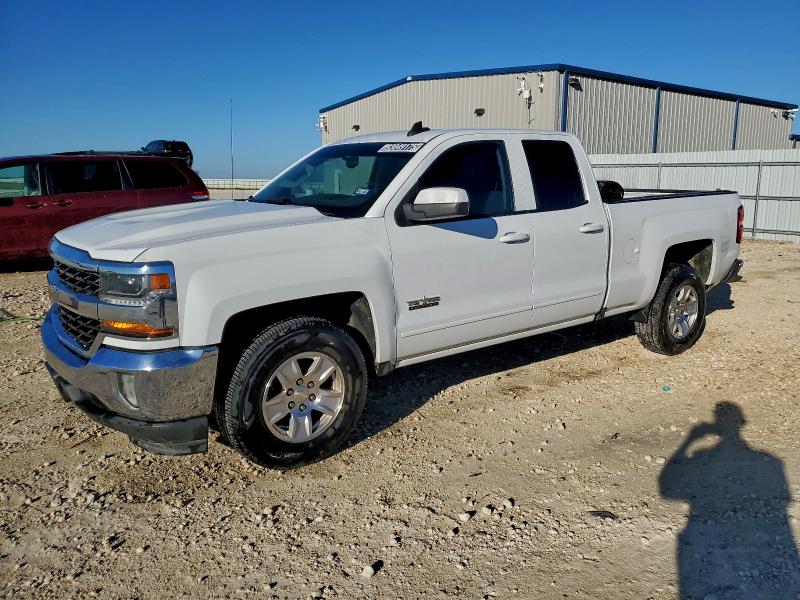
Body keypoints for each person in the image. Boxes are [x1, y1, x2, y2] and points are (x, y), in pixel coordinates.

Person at [659, 402, 800, 599]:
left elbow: (666, 488)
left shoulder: (701, 458)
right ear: (742, 424)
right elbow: (784, 501)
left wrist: (689, 441)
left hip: (709, 548)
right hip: (760, 549)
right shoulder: (771, 462)